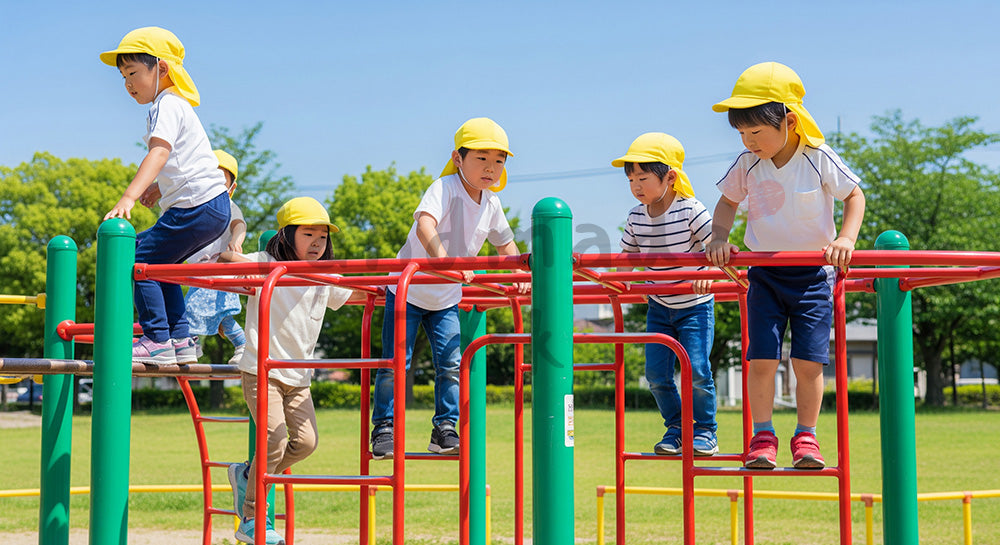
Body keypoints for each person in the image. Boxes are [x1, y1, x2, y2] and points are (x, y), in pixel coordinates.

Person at [705, 62, 866, 469]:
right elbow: (727, 202)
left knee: (807, 362)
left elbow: (854, 196)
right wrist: (720, 237)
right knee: (760, 359)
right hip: (765, 275)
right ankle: (762, 435)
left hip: (813, 275)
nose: (748, 141)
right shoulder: (747, 164)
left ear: (789, 121)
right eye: (741, 133)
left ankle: (806, 437)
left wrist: (846, 239)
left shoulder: (817, 157)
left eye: (755, 132)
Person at [370, 117, 529, 459]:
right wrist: (445, 261)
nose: (491, 168)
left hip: (445, 298)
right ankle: (383, 427)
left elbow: (506, 244)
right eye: (481, 159)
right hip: (409, 290)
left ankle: (444, 427)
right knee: (396, 361)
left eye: (499, 161)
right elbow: (425, 223)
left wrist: (517, 274)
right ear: (458, 158)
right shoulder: (444, 187)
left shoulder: (491, 204)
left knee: (451, 363)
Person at [223, 197, 364, 545]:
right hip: (262, 370)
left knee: (306, 443)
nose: (316, 243)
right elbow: (226, 259)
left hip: (299, 378)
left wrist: (393, 291)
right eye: (308, 234)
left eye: (322, 237)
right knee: (273, 440)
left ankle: (246, 475)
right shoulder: (267, 263)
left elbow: (355, 295)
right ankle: (252, 518)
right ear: (287, 236)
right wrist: (263, 271)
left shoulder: (324, 276)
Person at [100, 27, 230, 365]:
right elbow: (186, 161)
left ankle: (156, 338)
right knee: (164, 265)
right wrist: (161, 188)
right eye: (123, 76)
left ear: (161, 68)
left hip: (196, 206)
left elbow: (159, 154)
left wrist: (129, 196)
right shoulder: (178, 106)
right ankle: (180, 337)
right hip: (212, 205)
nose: (128, 84)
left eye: (133, 73)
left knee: (139, 257)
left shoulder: (166, 104)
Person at [613, 132, 718, 456]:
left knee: (697, 369)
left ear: (670, 177)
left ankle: (705, 431)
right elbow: (627, 260)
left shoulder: (690, 210)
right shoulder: (636, 217)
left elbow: (717, 248)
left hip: (695, 305)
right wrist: (616, 285)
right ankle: (676, 426)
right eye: (631, 179)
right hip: (659, 305)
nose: (636, 186)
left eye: (643, 178)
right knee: (656, 374)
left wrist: (710, 276)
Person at [173, 150, 247, 364]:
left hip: (218, 270)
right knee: (222, 316)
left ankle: (190, 344)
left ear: (231, 189)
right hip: (200, 272)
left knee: (191, 308)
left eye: (219, 182)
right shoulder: (193, 207)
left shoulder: (227, 206)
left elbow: (239, 224)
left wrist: (237, 240)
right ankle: (242, 345)